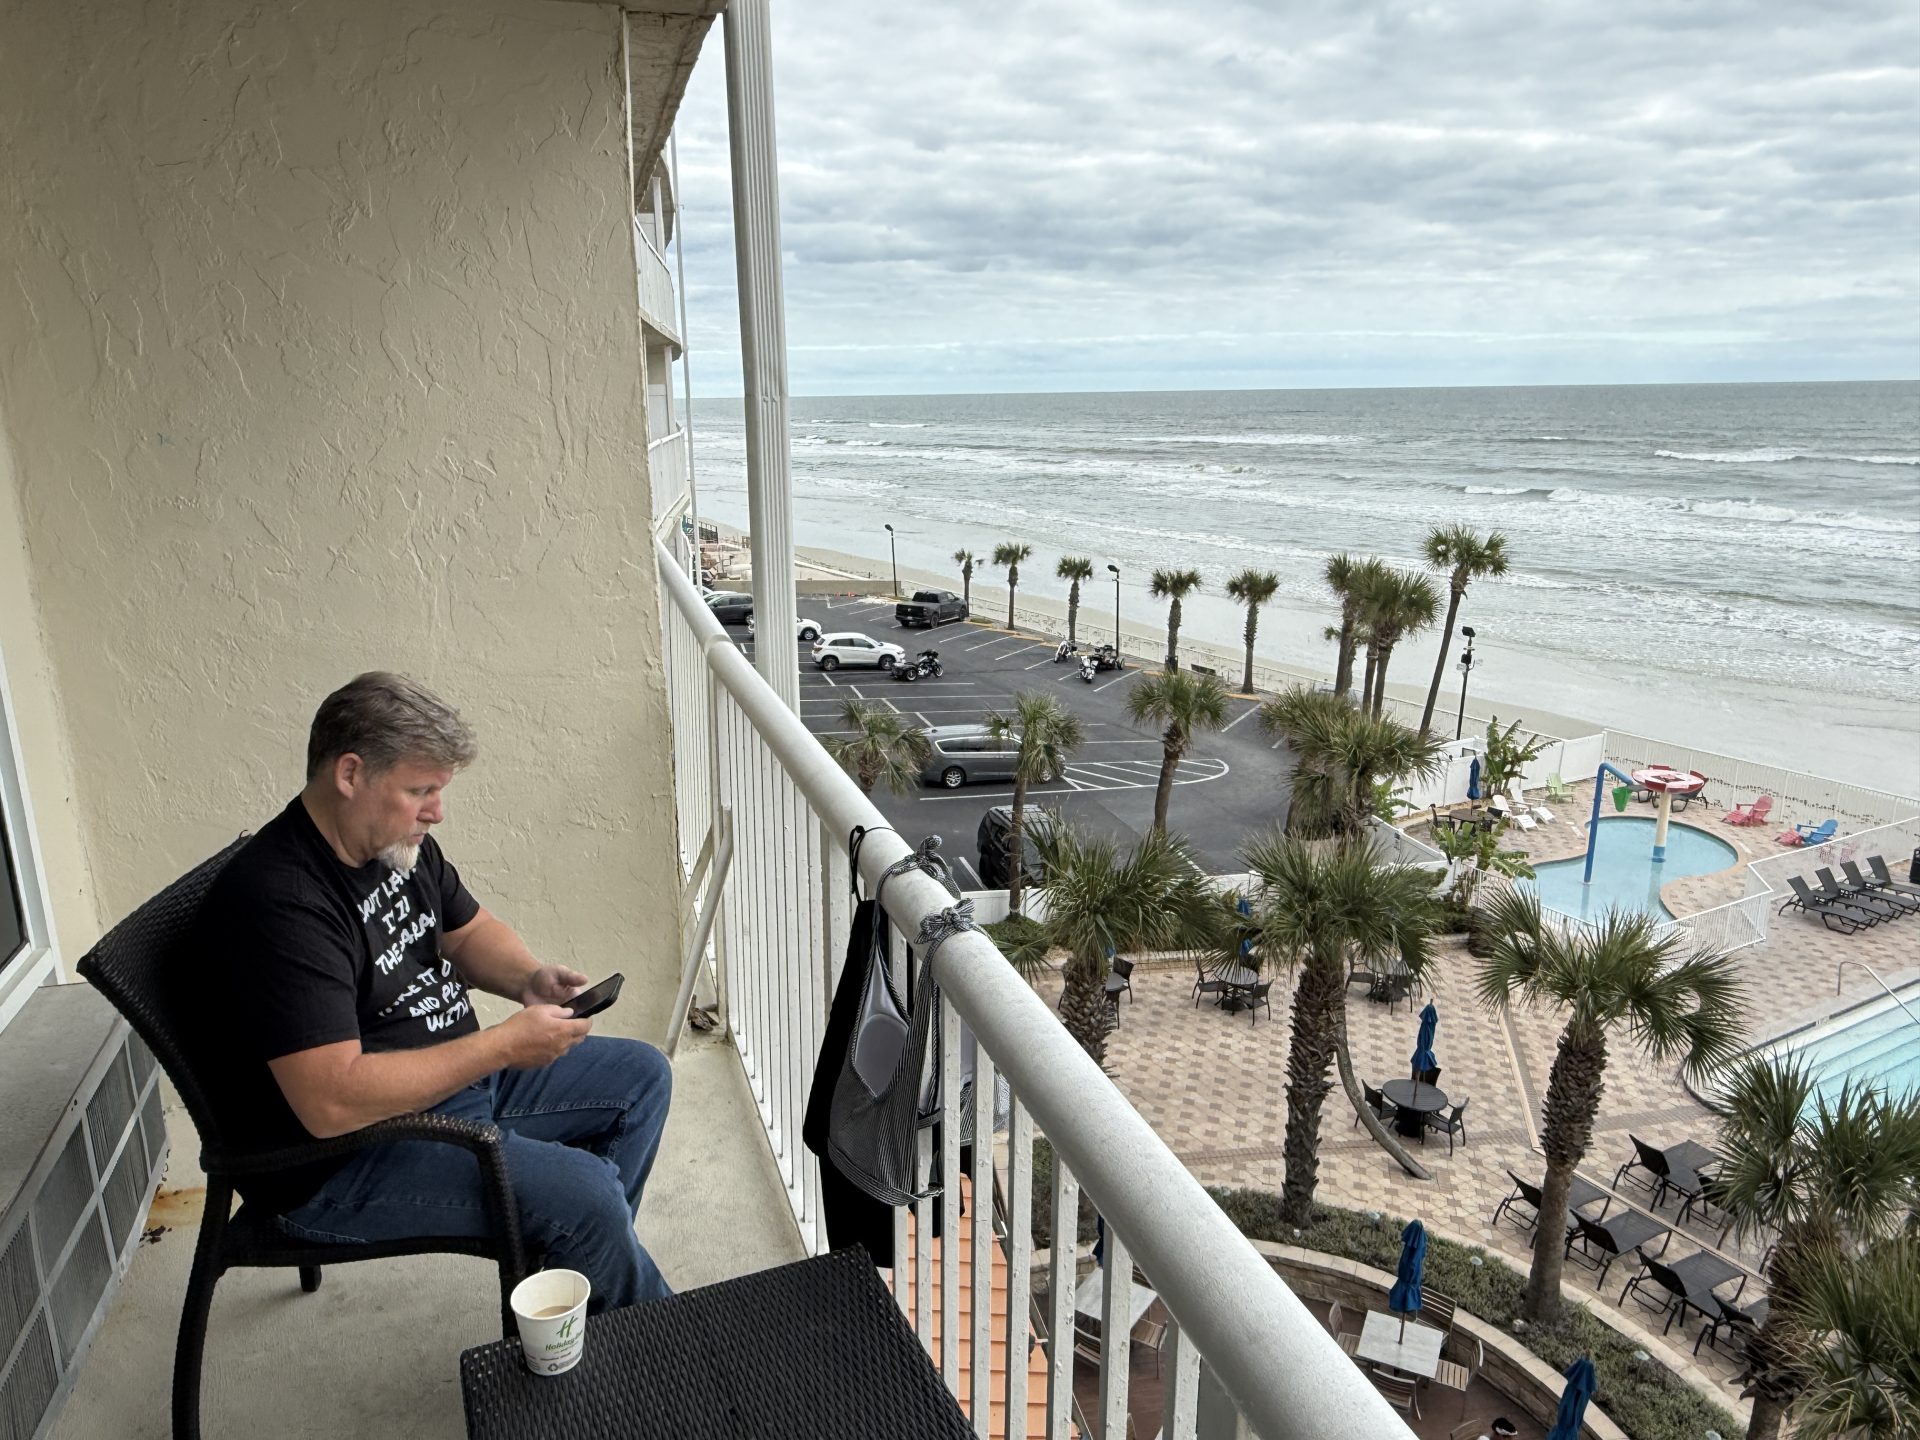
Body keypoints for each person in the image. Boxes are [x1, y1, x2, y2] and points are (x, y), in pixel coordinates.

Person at [194, 671, 672, 1313]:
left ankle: (575, 1294)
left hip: (453, 1092)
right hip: (347, 1158)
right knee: (585, 1196)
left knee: (641, 1078)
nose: (436, 811)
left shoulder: (393, 845)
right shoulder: (283, 904)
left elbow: (466, 931)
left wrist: (527, 978)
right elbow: (332, 1101)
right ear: (350, 774)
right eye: (420, 790)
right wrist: (502, 1047)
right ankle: (661, 1342)